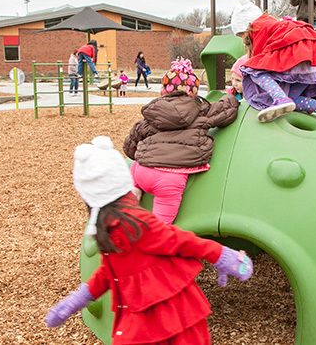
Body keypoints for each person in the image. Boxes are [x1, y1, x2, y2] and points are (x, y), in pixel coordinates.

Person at [44, 136, 253, 344]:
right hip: (139, 309)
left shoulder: (135, 222)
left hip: (169, 310)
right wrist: (81, 298)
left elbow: (180, 241)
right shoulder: (107, 223)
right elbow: (111, 270)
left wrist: (224, 256)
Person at [123, 58, 239, 225]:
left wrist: (139, 155)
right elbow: (226, 110)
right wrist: (231, 97)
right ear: (193, 91)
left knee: (136, 164)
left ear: (164, 90)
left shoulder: (154, 114)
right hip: (169, 178)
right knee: (160, 226)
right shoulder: (201, 110)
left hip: (143, 172)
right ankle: (153, 241)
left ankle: (134, 190)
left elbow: (132, 140)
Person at [230, 0, 316, 133]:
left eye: (241, 34)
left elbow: (259, 58)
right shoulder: (272, 24)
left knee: (252, 70)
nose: (243, 39)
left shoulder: (258, 26)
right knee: (293, 99)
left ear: (247, 26)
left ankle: (279, 98)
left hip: (299, 55)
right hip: (311, 59)